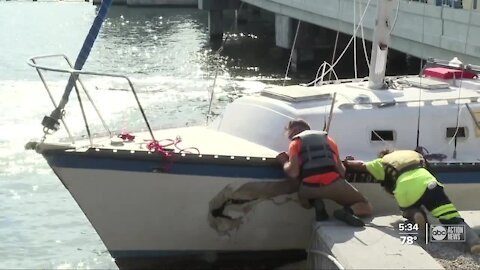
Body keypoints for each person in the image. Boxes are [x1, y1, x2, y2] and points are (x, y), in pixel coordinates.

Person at [343, 149, 480, 253]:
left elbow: (360, 165)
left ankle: (415, 215)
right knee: (449, 217)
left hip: (403, 190)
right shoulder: (414, 154)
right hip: (426, 182)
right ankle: (473, 241)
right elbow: (431, 170)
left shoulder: (381, 162)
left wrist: (346, 162)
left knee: (408, 209)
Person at [276, 119, 372, 227]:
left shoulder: (295, 143)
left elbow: (293, 172)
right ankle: (348, 212)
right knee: (366, 206)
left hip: (309, 189)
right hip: (334, 185)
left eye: (290, 136)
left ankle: (315, 203)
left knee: (304, 195)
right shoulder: (329, 140)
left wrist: (283, 161)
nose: (290, 139)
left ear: (295, 130)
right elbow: (342, 172)